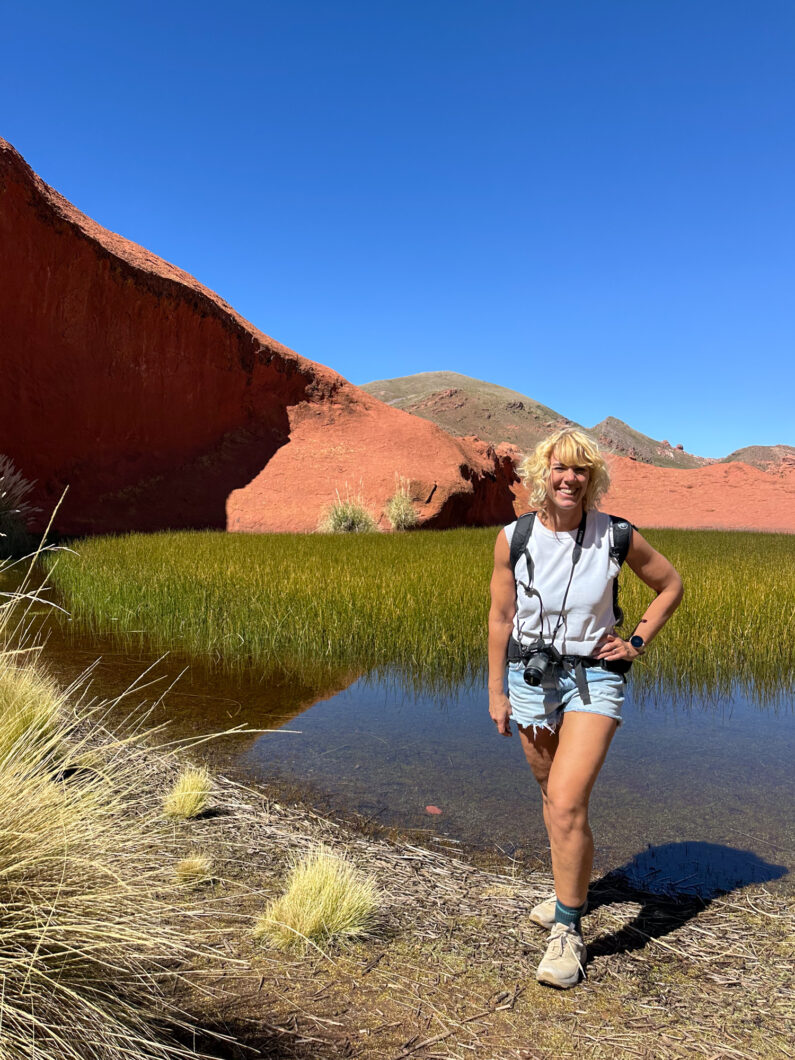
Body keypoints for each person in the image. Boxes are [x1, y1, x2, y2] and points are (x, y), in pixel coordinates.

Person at [488, 427, 683, 988]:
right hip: (529, 679)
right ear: (539, 475)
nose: (569, 478)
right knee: (553, 798)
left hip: (595, 677)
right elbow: (501, 619)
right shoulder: (513, 538)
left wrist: (636, 642)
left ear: (592, 478)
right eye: (559, 468)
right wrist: (497, 692)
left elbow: (669, 585)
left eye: (580, 469)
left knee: (569, 799)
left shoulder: (616, 536)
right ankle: (566, 891)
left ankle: (568, 930)